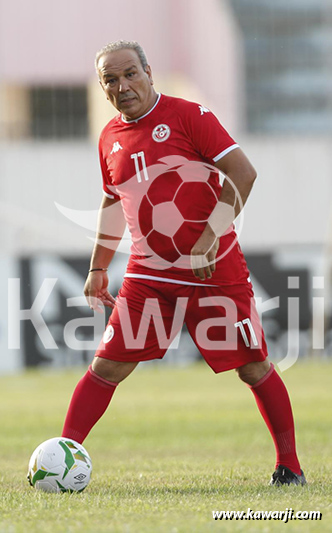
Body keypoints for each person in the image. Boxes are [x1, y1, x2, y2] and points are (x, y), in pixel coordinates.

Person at [61, 40, 305, 486]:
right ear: (103, 87)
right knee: (105, 367)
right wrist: (98, 268)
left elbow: (244, 173)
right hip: (147, 274)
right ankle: (62, 458)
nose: (123, 86)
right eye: (110, 80)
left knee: (253, 366)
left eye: (130, 73)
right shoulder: (109, 138)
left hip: (211, 269)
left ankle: (289, 465)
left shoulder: (189, 116)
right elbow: (113, 200)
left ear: (149, 72)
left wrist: (210, 236)